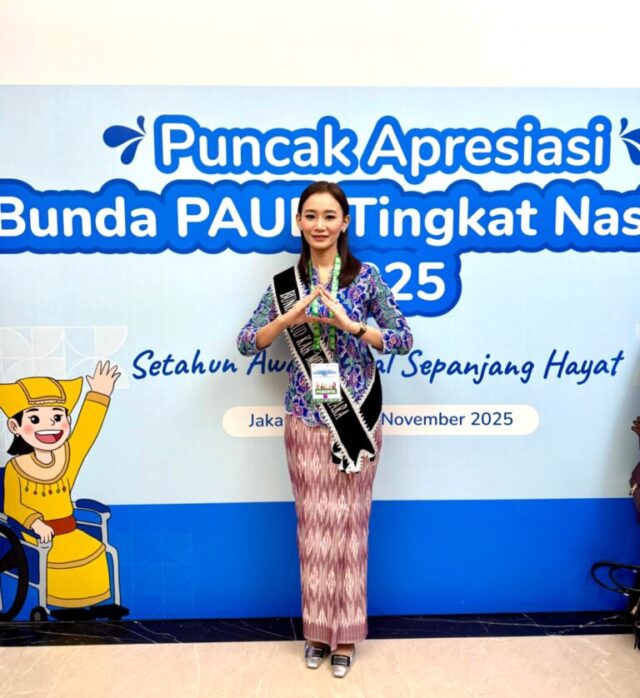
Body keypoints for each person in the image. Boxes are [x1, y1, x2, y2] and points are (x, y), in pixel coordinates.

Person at [237, 181, 413, 678]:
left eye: (329, 216)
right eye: (311, 215)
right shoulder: (284, 284)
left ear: (345, 222)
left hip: (356, 418)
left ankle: (347, 636)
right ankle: (316, 632)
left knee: (351, 528)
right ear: (299, 222)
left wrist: (350, 325)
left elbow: (402, 338)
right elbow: (247, 342)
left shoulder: (365, 278)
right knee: (312, 528)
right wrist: (287, 318)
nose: (320, 224)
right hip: (305, 417)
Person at [0, 361, 125, 619]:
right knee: (55, 557)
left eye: (57, 417)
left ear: (67, 419)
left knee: (98, 549)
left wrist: (99, 394)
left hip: (70, 531)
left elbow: (86, 432)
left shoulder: (67, 456)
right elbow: (13, 505)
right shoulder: (16, 468)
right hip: (34, 536)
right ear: (15, 427)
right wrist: (35, 522)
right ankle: (60, 606)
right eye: (35, 419)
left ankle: (97, 603)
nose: (50, 426)